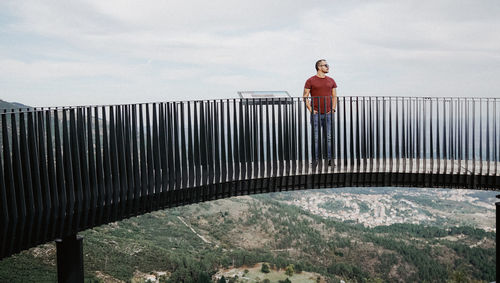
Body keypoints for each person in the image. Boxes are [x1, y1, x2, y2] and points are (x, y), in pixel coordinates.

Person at [303, 59, 337, 164]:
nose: (328, 67)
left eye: (327, 65)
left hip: (328, 113)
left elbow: (334, 96)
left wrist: (333, 109)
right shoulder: (310, 80)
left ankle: (330, 160)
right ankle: (315, 160)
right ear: (319, 67)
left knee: (329, 138)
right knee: (316, 138)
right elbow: (305, 96)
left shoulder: (331, 80)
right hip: (316, 114)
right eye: (325, 65)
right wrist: (311, 109)